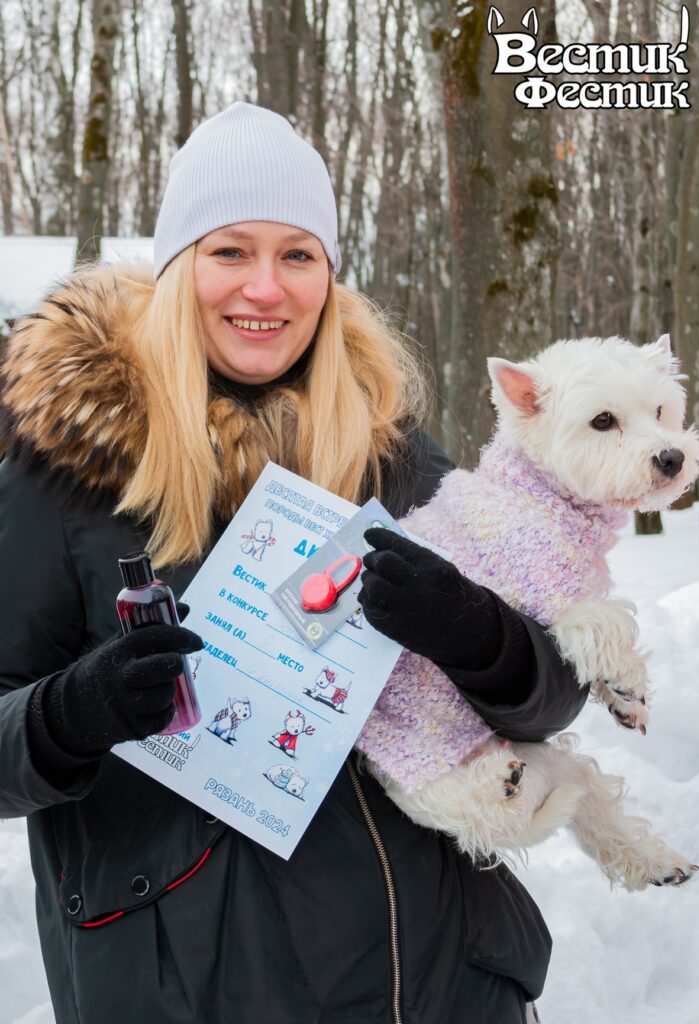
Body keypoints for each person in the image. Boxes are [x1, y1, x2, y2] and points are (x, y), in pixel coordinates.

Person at [0, 102, 586, 1024]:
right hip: (199, 989)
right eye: (231, 251)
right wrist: (72, 715)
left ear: (330, 276)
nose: (265, 289)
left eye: (298, 255)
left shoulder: (394, 454)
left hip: (432, 981)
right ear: (177, 266)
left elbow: (554, 695)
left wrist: (478, 634)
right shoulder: (65, 470)